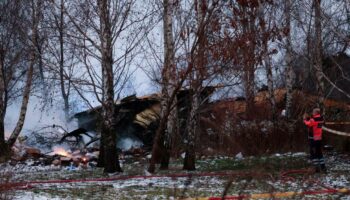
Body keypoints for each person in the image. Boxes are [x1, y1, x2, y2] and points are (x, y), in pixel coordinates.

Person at [303, 108, 326, 173]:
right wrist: (309, 118)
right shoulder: (321, 119)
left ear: (316, 113)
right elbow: (313, 124)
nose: (312, 113)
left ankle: (316, 168)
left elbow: (308, 124)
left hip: (313, 138)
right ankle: (323, 167)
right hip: (319, 138)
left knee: (313, 153)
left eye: (313, 112)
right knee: (319, 152)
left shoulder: (313, 120)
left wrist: (305, 119)